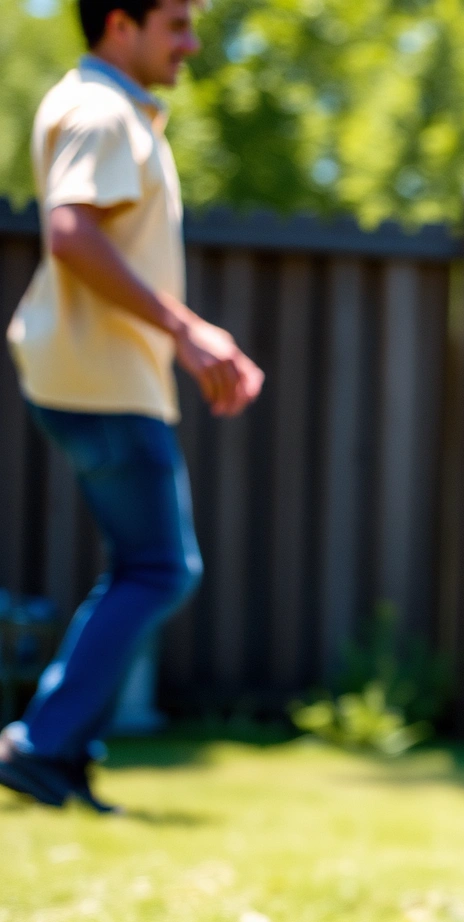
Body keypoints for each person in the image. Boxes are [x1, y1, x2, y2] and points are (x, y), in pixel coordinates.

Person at [0, 0, 263, 811]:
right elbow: (72, 233)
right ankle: (42, 743)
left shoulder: (120, 111)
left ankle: (61, 748)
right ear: (121, 21)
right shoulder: (102, 110)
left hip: (99, 375)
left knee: (145, 568)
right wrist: (187, 331)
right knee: (160, 568)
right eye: (176, 23)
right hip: (102, 379)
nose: (190, 42)